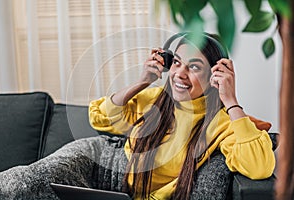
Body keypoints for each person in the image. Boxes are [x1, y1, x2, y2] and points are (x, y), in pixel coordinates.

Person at [88, 32, 276, 200]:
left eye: (194, 67)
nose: (179, 74)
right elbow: (101, 117)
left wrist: (230, 100)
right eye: (176, 62)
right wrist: (142, 82)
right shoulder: (155, 99)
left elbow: (259, 166)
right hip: (110, 179)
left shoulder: (223, 123)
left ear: (215, 75)